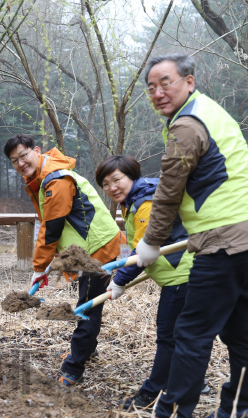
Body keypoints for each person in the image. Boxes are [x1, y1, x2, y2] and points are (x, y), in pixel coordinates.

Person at [136, 54, 248, 418]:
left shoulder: (187, 124)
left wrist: (151, 242)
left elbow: (169, 189)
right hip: (245, 238)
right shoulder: (211, 111)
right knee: (242, 333)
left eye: (165, 82)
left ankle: (172, 411)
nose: (158, 92)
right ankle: (239, 408)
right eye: (151, 87)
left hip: (223, 243)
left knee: (191, 334)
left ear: (189, 81)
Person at [4, 134, 122, 386]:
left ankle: (73, 368)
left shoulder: (56, 180)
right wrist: (50, 264)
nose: (21, 163)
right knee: (89, 302)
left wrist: (39, 267)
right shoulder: (45, 177)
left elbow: (52, 226)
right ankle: (88, 350)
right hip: (88, 247)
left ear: (36, 150)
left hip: (97, 248)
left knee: (87, 307)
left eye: (23, 155)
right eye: (14, 161)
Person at [95, 155, 208, 410]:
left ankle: (151, 393)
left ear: (131, 176)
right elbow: (137, 245)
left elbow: (143, 251)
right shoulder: (135, 198)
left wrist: (120, 281)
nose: (112, 187)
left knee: (167, 337)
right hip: (184, 273)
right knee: (182, 335)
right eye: (105, 184)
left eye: (116, 180)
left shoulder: (145, 202)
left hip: (181, 275)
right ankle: (193, 381)